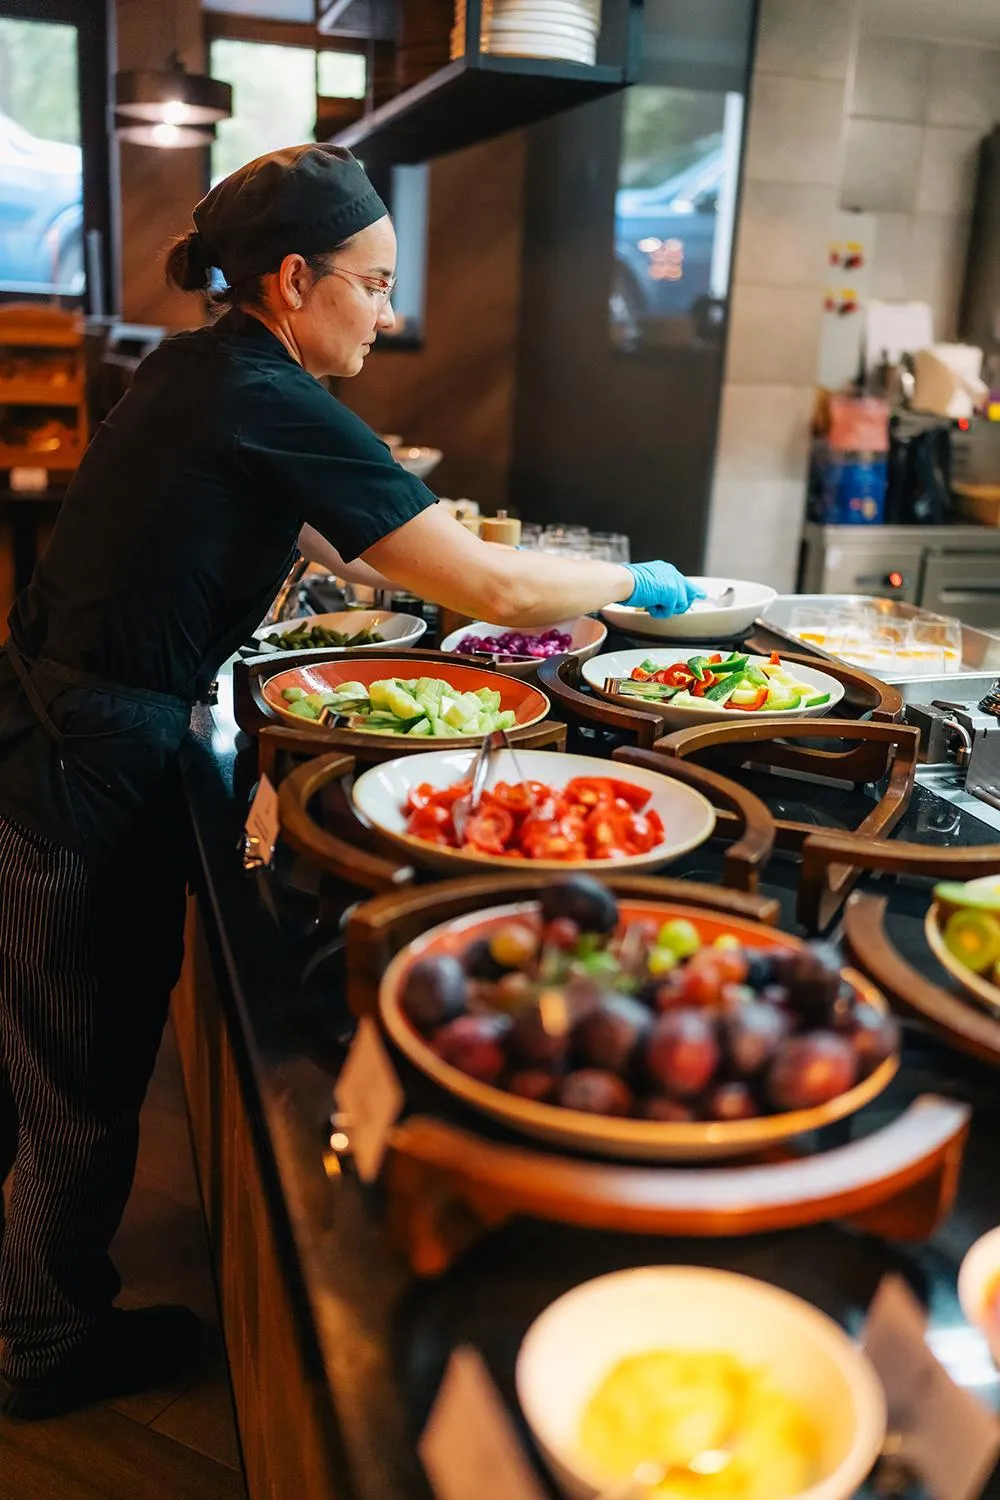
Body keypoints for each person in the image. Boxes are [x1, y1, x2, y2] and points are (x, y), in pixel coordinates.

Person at [0, 143, 702, 1420]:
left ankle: (27, 1298)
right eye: (373, 284)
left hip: (68, 736)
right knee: (77, 1076)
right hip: (78, 765)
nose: (387, 310)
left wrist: (502, 576)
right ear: (292, 279)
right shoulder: (258, 391)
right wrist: (636, 582)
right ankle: (42, 1344)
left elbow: (360, 550)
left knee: (42, 1053)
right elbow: (483, 583)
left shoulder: (207, 367)